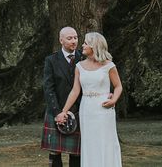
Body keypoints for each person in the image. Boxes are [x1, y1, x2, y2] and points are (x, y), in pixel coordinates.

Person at [58, 31, 123, 167]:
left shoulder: (109, 65)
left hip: (104, 109)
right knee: (89, 143)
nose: (82, 45)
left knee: (105, 142)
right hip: (86, 109)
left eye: (86, 43)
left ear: (94, 46)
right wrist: (64, 111)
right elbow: (75, 91)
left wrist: (114, 99)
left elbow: (118, 86)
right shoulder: (79, 66)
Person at [42, 26, 83, 167]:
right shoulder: (51, 60)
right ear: (61, 40)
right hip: (57, 110)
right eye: (69, 38)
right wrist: (58, 112)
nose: (74, 41)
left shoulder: (84, 58)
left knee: (77, 153)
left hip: (79, 111)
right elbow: (49, 89)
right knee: (55, 153)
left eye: (76, 37)